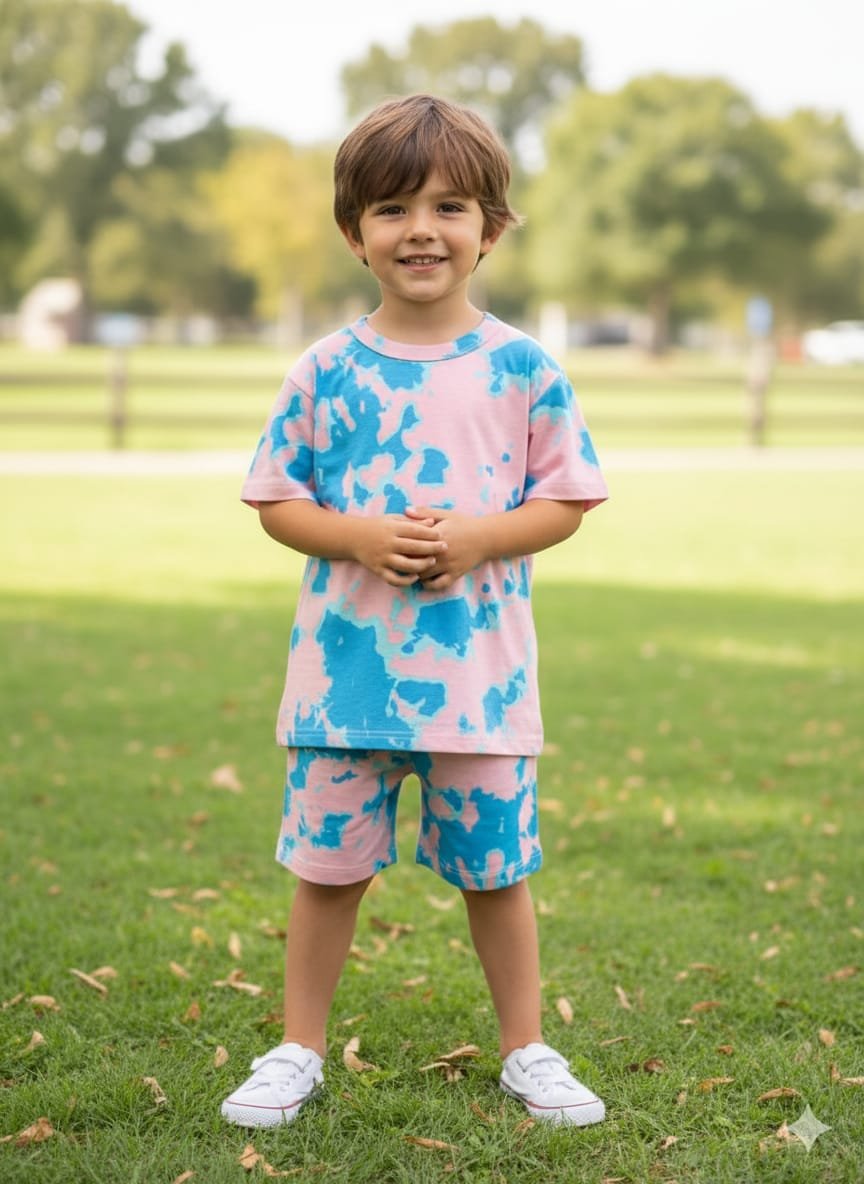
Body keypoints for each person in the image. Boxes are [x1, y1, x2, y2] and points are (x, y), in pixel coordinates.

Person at [221, 94, 609, 1131]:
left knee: (498, 874)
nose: (421, 229)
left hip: (479, 688)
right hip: (345, 685)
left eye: (449, 207)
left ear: (491, 227)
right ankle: (297, 1048)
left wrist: (481, 536)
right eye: (392, 209)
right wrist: (354, 536)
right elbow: (276, 500)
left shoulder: (522, 368)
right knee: (326, 873)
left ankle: (527, 1047)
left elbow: (568, 499)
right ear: (355, 234)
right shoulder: (325, 369)